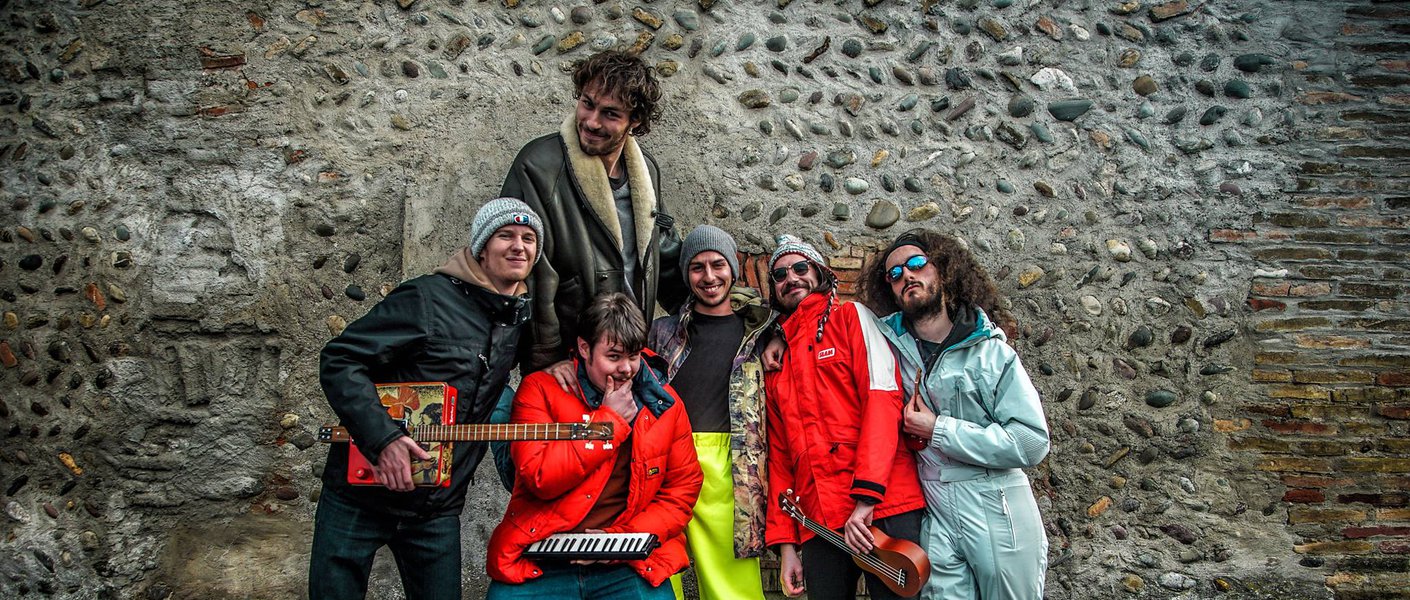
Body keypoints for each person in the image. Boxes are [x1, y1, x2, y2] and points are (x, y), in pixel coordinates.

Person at [309, 198, 543, 600]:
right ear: (482, 247)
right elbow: (340, 360)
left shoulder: (518, 319)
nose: (518, 246)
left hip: (436, 507)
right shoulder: (425, 298)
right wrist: (383, 440)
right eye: (505, 235)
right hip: (360, 497)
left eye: (528, 238)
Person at [858, 229, 1050, 600]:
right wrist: (774, 340)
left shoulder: (991, 353)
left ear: (943, 270)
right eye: (894, 274)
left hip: (997, 505)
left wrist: (939, 429)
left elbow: (1031, 442)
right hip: (935, 510)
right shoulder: (886, 347)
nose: (906, 275)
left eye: (916, 264)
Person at [486, 292, 703, 600]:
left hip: (626, 560)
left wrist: (619, 541)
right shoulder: (540, 390)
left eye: (633, 355)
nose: (626, 368)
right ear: (584, 348)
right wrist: (608, 424)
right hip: (542, 556)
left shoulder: (664, 404)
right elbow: (539, 478)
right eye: (613, 357)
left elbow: (681, 491)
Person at [501, 49, 686, 391]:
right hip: (566, 362)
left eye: (610, 113)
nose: (591, 121)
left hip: (626, 357)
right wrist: (546, 357)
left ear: (635, 121)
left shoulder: (646, 171)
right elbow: (529, 271)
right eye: (587, 104)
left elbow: (662, 254)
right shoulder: (539, 165)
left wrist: (720, 309)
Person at [763, 234, 926, 600]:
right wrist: (787, 544)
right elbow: (780, 456)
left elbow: (882, 401)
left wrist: (867, 498)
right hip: (819, 519)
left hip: (885, 504)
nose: (791, 278)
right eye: (780, 274)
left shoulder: (852, 317)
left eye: (800, 267)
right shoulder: (777, 360)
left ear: (820, 272)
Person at [646, 225, 775, 600]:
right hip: (666, 458)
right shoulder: (661, 332)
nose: (709, 276)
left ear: (732, 268)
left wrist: (778, 337)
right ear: (685, 274)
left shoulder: (760, 331)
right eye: (697, 267)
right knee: (656, 572)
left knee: (730, 585)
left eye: (717, 264)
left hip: (730, 465)